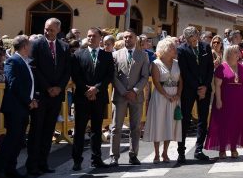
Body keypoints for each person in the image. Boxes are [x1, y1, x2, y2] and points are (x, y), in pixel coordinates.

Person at [0, 36, 37, 178]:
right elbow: (14, 84)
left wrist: (33, 99)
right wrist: (28, 101)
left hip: (23, 107)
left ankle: (11, 168)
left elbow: (28, 84)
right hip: (15, 106)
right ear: (24, 47)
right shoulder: (13, 61)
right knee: (11, 139)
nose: (31, 48)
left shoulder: (24, 61)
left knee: (18, 140)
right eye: (29, 45)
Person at [27, 18, 70, 175]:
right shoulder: (37, 45)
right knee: (36, 130)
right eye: (46, 29)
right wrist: (48, 87)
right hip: (42, 95)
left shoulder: (64, 47)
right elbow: (34, 67)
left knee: (48, 130)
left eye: (51, 30)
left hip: (56, 96)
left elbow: (67, 70)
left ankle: (43, 162)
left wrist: (59, 87)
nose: (48, 32)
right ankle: (32, 165)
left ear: (58, 30)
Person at [70, 28, 114, 170]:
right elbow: (76, 76)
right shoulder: (78, 54)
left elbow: (109, 76)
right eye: (88, 36)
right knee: (80, 129)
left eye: (94, 36)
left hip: (99, 97)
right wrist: (87, 90)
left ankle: (96, 159)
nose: (90, 38)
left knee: (96, 129)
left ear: (100, 38)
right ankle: (77, 160)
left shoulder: (107, 56)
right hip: (82, 97)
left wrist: (96, 88)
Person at [110, 31, 150, 166]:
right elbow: (113, 76)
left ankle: (133, 155)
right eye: (125, 37)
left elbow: (145, 76)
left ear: (136, 39)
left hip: (136, 96)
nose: (127, 39)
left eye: (130, 37)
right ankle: (114, 156)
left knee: (136, 127)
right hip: (120, 96)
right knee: (116, 127)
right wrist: (123, 91)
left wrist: (134, 91)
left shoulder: (143, 55)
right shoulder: (115, 54)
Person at [176, 27, 215, 164]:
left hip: (205, 88)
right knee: (185, 119)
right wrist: (197, 87)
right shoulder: (181, 49)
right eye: (190, 40)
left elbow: (210, 67)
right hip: (189, 89)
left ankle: (199, 149)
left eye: (195, 39)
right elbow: (184, 72)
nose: (193, 42)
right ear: (186, 39)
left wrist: (204, 86)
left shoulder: (205, 47)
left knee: (203, 119)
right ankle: (181, 151)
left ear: (198, 36)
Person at [207, 45, 243, 158]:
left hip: (240, 100)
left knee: (237, 124)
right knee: (223, 125)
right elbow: (217, 85)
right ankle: (222, 149)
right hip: (225, 100)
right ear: (229, 54)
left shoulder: (242, 67)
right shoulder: (221, 67)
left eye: (238, 52)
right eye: (236, 52)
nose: (238, 54)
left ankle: (233, 147)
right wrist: (218, 100)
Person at [144, 37, 183, 163]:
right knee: (159, 123)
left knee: (169, 124)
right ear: (165, 49)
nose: (174, 49)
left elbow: (181, 81)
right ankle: (156, 153)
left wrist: (178, 94)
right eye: (172, 47)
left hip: (174, 96)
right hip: (161, 97)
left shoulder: (177, 63)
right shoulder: (156, 63)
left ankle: (165, 153)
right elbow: (156, 82)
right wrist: (166, 95)